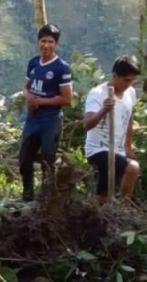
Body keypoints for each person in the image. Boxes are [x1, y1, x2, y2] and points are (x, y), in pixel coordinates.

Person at [19, 24, 73, 202]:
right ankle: (27, 195)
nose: (46, 45)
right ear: (38, 42)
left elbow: (66, 99)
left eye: (50, 42)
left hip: (50, 121)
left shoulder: (61, 68)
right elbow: (25, 88)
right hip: (32, 119)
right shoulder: (33, 63)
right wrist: (28, 97)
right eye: (43, 41)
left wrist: (40, 101)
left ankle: (45, 198)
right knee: (24, 158)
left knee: (47, 161)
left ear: (55, 44)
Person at [83, 55, 141, 204]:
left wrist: (128, 147)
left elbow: (128, 118)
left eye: (132, 80)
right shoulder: (97, 94)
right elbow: (87, 124)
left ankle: (97, 214)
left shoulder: (130, 93)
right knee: (132, 168)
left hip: (118, 150)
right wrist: (103, 110)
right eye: (126, 80)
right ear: (114, 76)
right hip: (98, 149)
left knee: (102, 195)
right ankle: (123, 208)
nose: (129, 84)